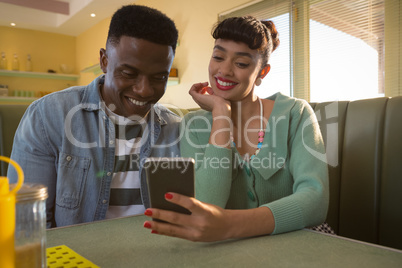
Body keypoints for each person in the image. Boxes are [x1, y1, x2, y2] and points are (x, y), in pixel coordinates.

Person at [143, 16, 329, 241]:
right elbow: (207, 204)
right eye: (218, 57)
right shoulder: (194, 125)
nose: (224, 70)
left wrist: (230, 224)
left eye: (241, 63)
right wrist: (221, 113)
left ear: (262, 72)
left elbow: (315, 200)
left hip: (297, 244)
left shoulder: (295, 113)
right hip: (227, 251)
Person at [8, 5, 180, 228]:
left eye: (159, 77)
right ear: (104, 61)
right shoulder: (48, 116)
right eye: (129, 73)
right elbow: (27, 224)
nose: (144, 90)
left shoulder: (175, 127)